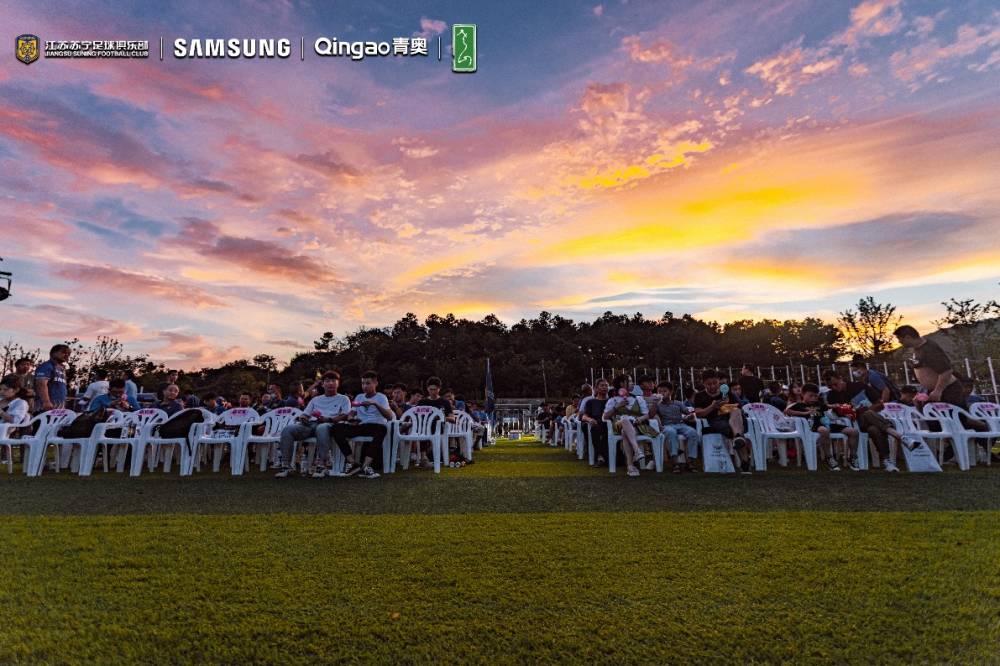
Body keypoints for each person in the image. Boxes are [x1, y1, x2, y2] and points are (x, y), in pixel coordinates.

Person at [824, 371, 915, 473]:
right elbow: (838, 415)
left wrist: (868, 409)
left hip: (873, 420)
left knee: (873, 429)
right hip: (855, 423)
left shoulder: (858, 386)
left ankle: (887, 461)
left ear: (840, 378)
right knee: (868, 414)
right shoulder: (832, 396)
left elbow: (880, 404)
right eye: (830, 387)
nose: (834, 388)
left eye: (835, 384)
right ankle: (901, 437)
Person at [275, 371, 352, 478]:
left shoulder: (343, 398)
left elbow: (345, 415)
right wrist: (303, 418)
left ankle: (322, 466)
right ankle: (286, 466)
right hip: (310, 424)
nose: (330, 383)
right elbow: (305, 414)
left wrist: (329, 419)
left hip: (329, 424)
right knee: (288, 429)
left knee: (322, 428)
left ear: (338, 383)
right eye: (327, 381)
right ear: (323, 384)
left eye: (333, 381)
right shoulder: (316, 399)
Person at [329, 370, 393, 479]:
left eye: (368, 383)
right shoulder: (359, 397)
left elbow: (389, 416)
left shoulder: (381, 397)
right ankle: (352, 462)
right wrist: (351, 419)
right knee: (336, 428)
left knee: (382, 429)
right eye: (363, 383)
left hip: (375, 426)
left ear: (375, 383)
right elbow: (351, 413)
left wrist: (375, 404)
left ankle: (365, 466)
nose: (365, 386)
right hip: (361, 425)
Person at [785, 383, 859, 471]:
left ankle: (853, 457)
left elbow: (829, 406)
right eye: (810, 396)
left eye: (815, 396)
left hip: (827, 424)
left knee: (854, 432)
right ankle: (829, 457)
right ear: (803, 394)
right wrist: (804, 413)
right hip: (813, 425)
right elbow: (787, 411)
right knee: (824, 430)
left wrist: (836, 406)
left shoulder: (819, 404)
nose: (813, 398)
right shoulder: (799, 405)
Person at [693, 369, 752, 474]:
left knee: (736, 412)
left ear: (718, 381)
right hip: (716, 420)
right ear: (703, 383)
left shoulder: (726, 393)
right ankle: (745, 461)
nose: (712, 386)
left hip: (734, 417)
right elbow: (698, 413)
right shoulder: (699, 396)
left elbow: (739, 406)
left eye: (715, 383)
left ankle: (738, 437)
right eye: (709, 384)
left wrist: (727, 404)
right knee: (737, 431)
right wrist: (712, 407)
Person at [894, 325, 964, 408]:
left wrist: (938, 390)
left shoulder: (930, 349)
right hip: (933, 391)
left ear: (908, 337)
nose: (899, 342)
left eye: (900, 339)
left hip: (947, 391)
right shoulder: (917, 349)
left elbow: (946, 371)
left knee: (954, 415)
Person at [603, 374, 653, 476]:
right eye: (629, 381)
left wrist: (640, 419)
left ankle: (630, 466)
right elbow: (605, 417)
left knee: (624, 432)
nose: (633, 383)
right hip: (618, 425)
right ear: (622, 384)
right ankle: (637, 450)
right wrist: (617, 407)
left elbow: (646, 415)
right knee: (624, 419)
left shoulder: (638, 399)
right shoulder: (613, 400)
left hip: (637, 426)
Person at [650, 381, 701, 473]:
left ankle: (690, 462)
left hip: (680, 424)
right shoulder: (658, 405)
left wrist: (690, 416)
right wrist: (655, 403)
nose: (661, 393)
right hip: (667, 426)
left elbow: (688, 413)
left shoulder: (678, 403)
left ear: (670, 392)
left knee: (692, 432)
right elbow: (651, 415)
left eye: (664, 391)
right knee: (671, 432)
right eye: (659, 391)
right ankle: (675, 462)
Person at [415, 377, 455, 468]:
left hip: (439, 427)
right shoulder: (422, 402)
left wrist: (441, 417)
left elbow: (453, 419)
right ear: (427, 389)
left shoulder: (445, 402)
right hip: (424, 427)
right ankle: (423, 457)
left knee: (426, 427)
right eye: (431, 389)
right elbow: (415, 415)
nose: (433, 392)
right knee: (423, 427)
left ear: (439, 389)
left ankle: (425, 457)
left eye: (435, 389)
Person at [579, 378, 610, 467]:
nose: (604, 387)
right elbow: (584, 416)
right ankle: (600, 456)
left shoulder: (611, 401)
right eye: (602, 385)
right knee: (595, 428)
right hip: (596, 424)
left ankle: (605, 456)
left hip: (609, 424)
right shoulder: (591, 402)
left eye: (606, 386)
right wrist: (590, 419)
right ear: (596, 388)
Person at [34, 344, 70, 412]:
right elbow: (41, 384)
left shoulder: (62, 369)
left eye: (68, 354)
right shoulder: (46, 366)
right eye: (64, 352)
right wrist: (46, 401)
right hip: (47, 406)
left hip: (59, 406)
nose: (67, 355)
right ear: (53, 353)